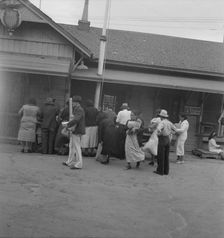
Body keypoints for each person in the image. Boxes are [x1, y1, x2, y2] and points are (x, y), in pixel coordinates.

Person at [62, 95, 85, 169]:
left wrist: (67, 125)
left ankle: (79, 164)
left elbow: (76, 120)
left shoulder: (79, 109)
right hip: (75, 129)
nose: (72, 104)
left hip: (77, 130)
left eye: (74, 102)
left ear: (77, 103)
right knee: (72, 146)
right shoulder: (78, 109)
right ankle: (70, 161)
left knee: (77, 147)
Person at [154, 109, 176, 175]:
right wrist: (170, 132)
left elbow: (158, 129)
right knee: (166, 156)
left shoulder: (162, 122)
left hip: (162, 139)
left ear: (161, 116)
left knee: (161, 156)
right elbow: (175, 130)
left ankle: (160, 171)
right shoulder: (169, 122)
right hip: (168, 139)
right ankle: (166, 171)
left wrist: (159, 133)